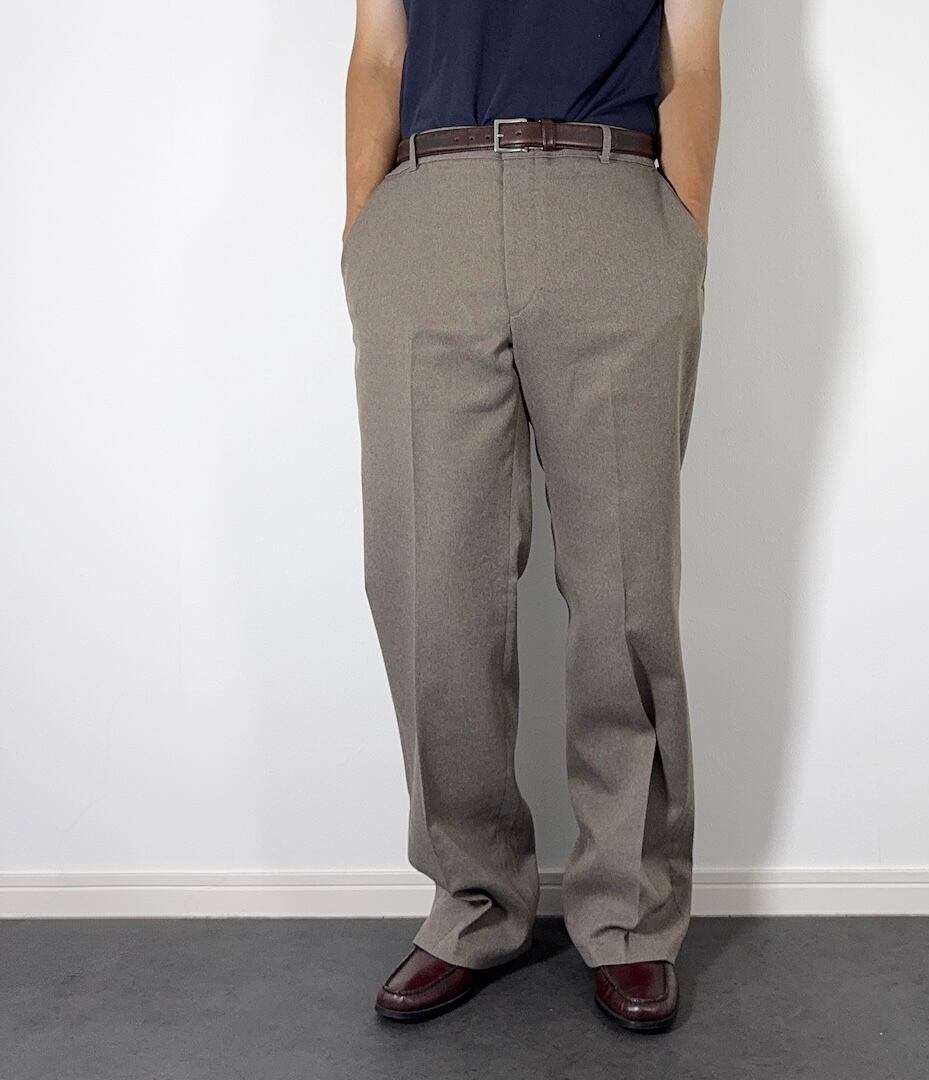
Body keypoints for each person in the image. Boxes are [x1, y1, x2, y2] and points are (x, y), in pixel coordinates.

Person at [341, 0, 723, 1032]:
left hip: (613, 202)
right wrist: (366, 234)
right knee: (427, 582)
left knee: (626, 589)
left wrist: (681, 237)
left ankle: (630, 916)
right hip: (432, 209)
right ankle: (472, 901)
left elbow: (692, 59)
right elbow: (379, 52)